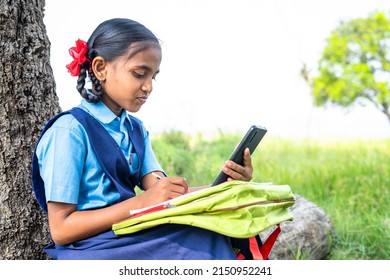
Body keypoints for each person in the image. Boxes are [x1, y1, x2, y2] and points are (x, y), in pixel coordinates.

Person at [31, 18, 254, 260]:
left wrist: (226, 187)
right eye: (139, 74)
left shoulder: (134, 129)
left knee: (216, 229)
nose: (148, 87)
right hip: (93, 248)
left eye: (153, 77)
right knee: (197, 241)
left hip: (128, 234)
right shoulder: (69, 132)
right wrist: (141, 202)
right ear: (100, 68)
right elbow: (61, 229)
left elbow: (162, 191)